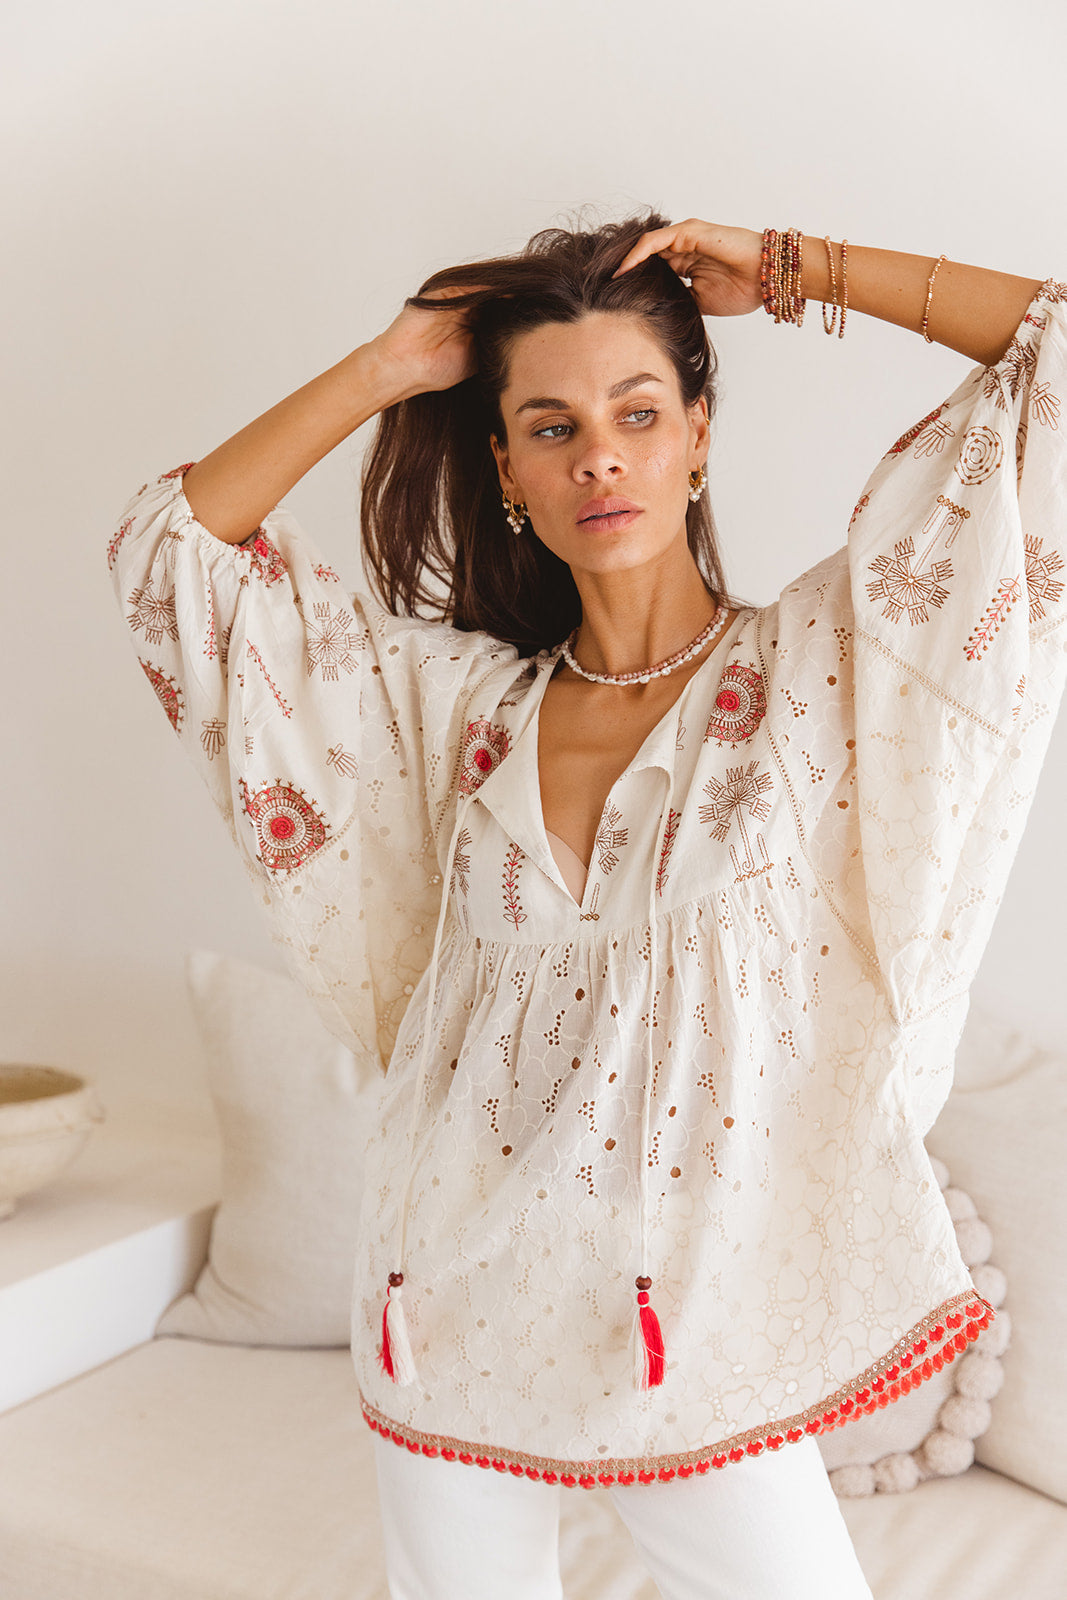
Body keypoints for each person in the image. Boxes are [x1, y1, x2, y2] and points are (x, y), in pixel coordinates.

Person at [109, 215, 1066, 1599]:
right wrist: (389, 365)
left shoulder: (821, 677)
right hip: (440, 1310)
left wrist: (799, 272)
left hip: (697, 1329)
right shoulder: (454, 722)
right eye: (550, 426)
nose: (599, 455)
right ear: (506, 468)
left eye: (635, 411)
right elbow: (171, 559)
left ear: (697, 433)